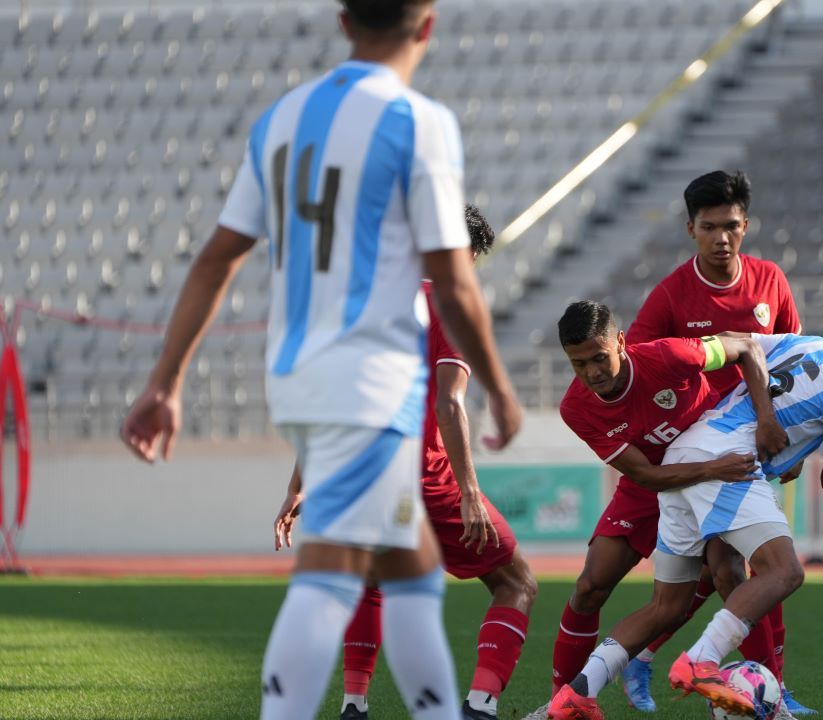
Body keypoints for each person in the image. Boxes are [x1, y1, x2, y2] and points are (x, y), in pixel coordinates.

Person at [120, 3, 523, 718]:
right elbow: (455, 279)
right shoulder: (418, 122)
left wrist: (167, 379)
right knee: (338, 577)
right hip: (375, 383)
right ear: (427, 26)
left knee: (402, 571)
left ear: (342, 22)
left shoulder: (281, 120)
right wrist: (498, 384)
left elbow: (218, 257)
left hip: (304, 378)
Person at [546, 321, 823, 720]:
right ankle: (701, 661)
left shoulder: (810, 344)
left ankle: (578, 695)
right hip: (728, 462)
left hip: (685, 455)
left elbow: (746, 347)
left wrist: (776, 427)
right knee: (785, 572)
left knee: (668, 606)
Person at [273, 207, 537, 720]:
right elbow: (449, 403)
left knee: (371, 582)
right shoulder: (453, 305)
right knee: (516, 582)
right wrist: (467, 492)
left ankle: (354, 705)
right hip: (424, 477)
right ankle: (480, 707)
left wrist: (299, 483)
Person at [527, 301, 787, 718]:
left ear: (622, 343)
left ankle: (776, 698)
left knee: (729, 575)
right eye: (579, 364)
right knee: (590, 586)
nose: (593, 372)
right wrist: (711, 467)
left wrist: (765, 419)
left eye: (600, 358)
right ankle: (564, 702)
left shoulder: (670, 355)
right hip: (655, 480)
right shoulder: (576, 407)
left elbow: (745, 347)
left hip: (714, 461)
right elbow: (645, 476)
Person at [624, 170, 809, 714]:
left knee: (735, 573)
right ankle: (762, 687)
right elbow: (635, 360)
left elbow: (791, 357)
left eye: (731, 226)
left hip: (753, 450)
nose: (721, 237)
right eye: (710, 227)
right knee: (741, 573)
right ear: (690, 229)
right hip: (694, 453)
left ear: (745, 226)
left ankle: (760, 684)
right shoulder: (673, 293)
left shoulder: (770, 281)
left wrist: (789, 439)